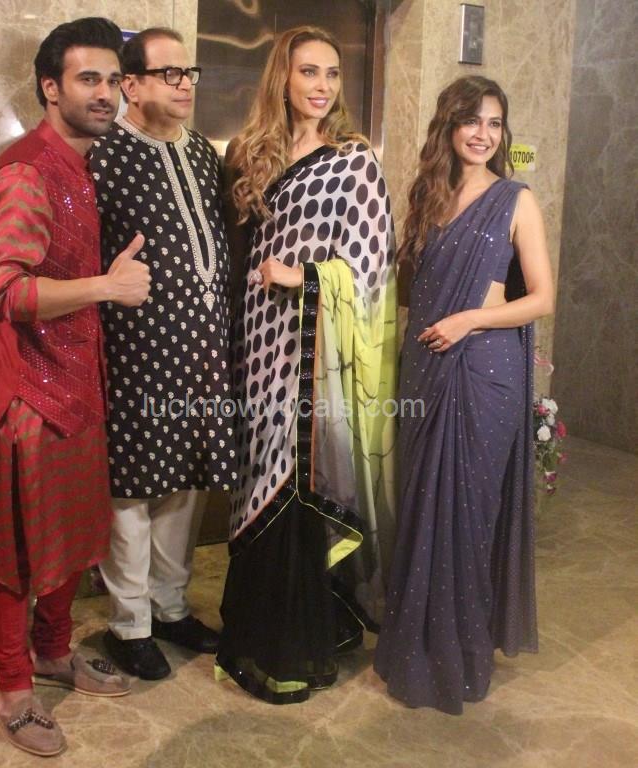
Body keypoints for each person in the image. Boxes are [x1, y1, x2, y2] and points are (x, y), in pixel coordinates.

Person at [0, 18, 152, 757]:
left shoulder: (79, 165)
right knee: (17, 552)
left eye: (112, 80)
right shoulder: (26, 173)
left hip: (74, 387)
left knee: (68, 541)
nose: (106, 94)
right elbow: (0, 291)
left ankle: (51, 653)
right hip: (25, 398)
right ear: (50, 87)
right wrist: (106, 286)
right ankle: (14, 688)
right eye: (87, 79)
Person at [216, 26, 397, 704]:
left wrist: (306, 278)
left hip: (314, 353)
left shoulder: (353, 161)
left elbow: (373, 266)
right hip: (255, 346)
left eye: (331, 74)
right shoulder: (252, 154)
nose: (321, 86)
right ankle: (256, 633)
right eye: (308, 72)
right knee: (256, 481)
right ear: (282, 79)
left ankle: (290, 646)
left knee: (295, 482)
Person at [374, 75, 554, 715]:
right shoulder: (428, 195)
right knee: (422, 511)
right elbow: (410, 291)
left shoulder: (515, 199)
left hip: (484, 374)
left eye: (494, 123)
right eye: (471, 120)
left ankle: (460, 660)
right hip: (424, 369)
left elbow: (542, 297)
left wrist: (472, 319)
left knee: (468, 516)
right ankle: (414, 650)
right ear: (448, 126)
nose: (483, 134)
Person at [90, 27, 236, 681]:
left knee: (186, 481)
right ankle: (129, 624)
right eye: (168, 73)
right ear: (131, 84)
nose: (184, 85)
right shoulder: (104, 154)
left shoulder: (202, 152)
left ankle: (170, 606)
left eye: (189, 72)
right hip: (134, 351)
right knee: (133, 489)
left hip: (202, 351)